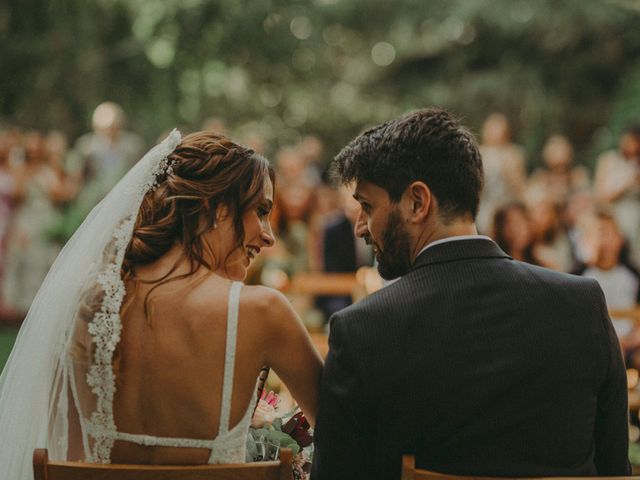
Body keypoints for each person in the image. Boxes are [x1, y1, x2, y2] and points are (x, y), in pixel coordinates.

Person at [312, 108, 629, 480]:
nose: (360, 228)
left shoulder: (362, 332)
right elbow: (615, 470)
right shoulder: (582, 305)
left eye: (367, 206)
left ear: (417, 202)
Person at [0, 130, 322, 479]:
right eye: (260, 211)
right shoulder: (262, 311)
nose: (268, 234)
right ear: (216, 208)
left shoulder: (87, 304)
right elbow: (345, 432)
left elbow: (63, 448)